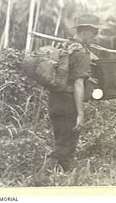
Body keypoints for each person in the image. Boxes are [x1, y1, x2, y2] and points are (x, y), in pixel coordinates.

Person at [46, 14, 101, 172]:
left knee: (62, 142)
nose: (95, 36)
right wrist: (80, 113)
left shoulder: (64, 46)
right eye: (94, 32)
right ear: (85, 31)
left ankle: (66, 177)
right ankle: (40, 177)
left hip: (54, 100)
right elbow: (78, 83)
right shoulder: (82, 53)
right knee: (65, 146)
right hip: (68, 103)